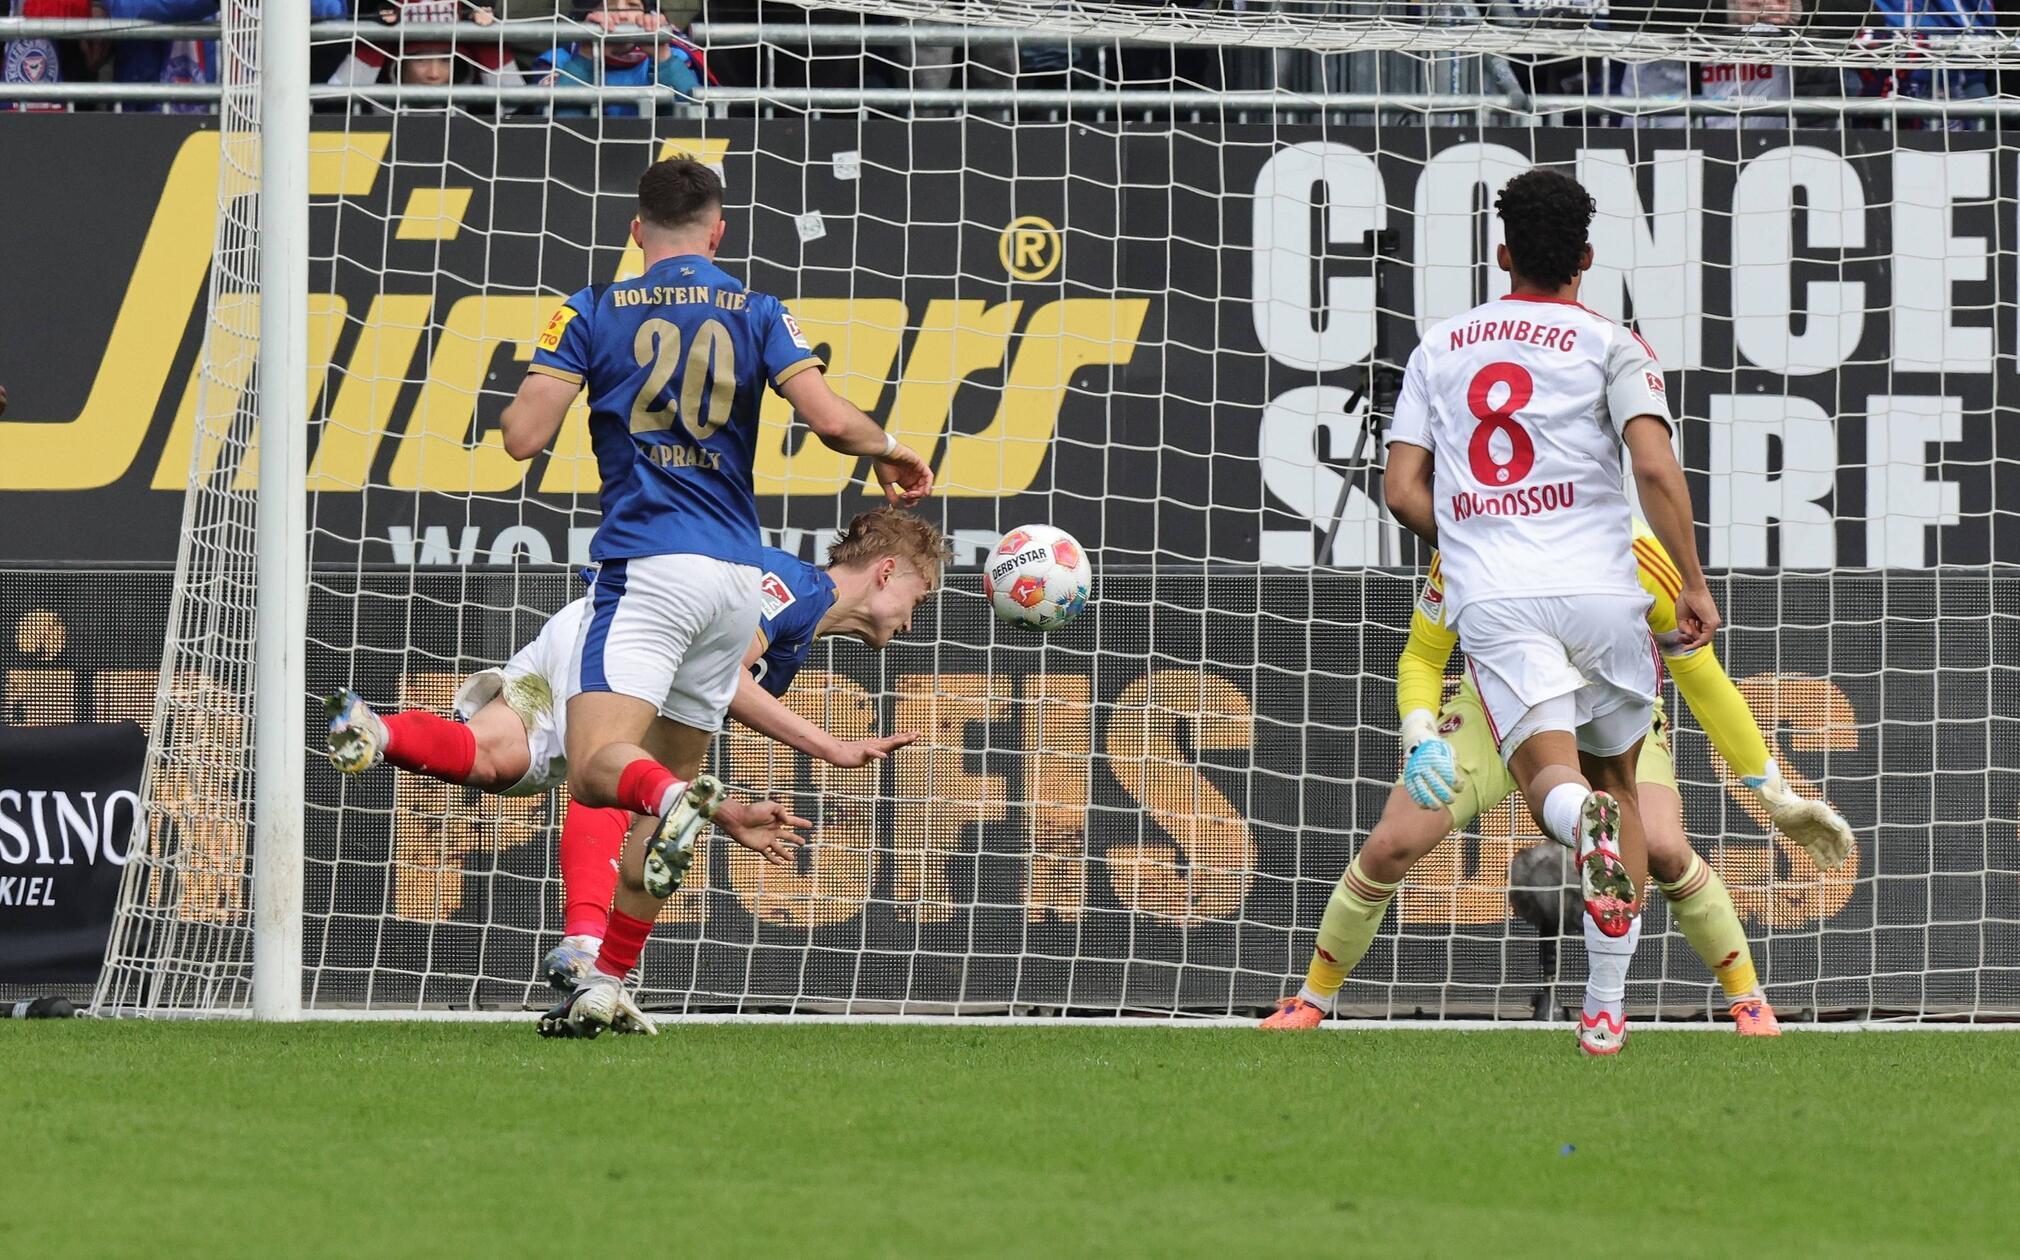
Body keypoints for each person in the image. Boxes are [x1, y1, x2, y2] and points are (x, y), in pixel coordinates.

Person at [488, 157, 931, 1036]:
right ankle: (611, 977)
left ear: (636, 231)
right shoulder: (759, 310)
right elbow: (833, 422)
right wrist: (887, 449)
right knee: (670, 779)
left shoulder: (588, 310)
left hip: (649, 569)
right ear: (718, 232)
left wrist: (560, 387)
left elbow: (519, 438)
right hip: (735, 578)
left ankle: (674, 809)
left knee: (595, 774)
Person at [1262, 519, 1856, 1047]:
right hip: (1499, 702)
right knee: (1392, 842)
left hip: (1609, 707)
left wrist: (1775, 793)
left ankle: (1744, 999)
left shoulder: (1637, 554)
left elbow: (1702, 678)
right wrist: (1420, 730)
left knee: (1666, 850)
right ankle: (1312, 998)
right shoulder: (1470, 538)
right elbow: (1423, 655)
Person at [325, 507, 949, 995]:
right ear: (887, 570)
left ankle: (378, 732)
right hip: (625, 639)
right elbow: (724, 676)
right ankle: (593, 954)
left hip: (583, 625)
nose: (912, 623)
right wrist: (831, 747)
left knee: (494, 760)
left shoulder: (796, 632)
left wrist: (725, 803)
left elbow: (720, 686)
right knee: (615, 776)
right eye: (918, 601)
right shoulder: (798, 586)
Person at [1377, 166, 1717, 1055]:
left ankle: (1581, 831)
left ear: (1502, 255)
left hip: (1500, 594)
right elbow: (1651, 469)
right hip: (1606, 594)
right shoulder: (1614, 342)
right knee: (1618, 785)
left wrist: (1472, 535)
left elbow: (1401, 489)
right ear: (1588, 259)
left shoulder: (1440, 345)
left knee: (1550, 790)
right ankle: (1606, 1007)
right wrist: (1691, 576)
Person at [534, 0, 707, 117]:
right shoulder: (555, 61)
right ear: (590, 14)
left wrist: (663, 58)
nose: (623, 15)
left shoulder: (674, 56)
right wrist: (586, 57)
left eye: (632, 5)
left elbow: (703, 117)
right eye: (610, 5)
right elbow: (557, 123)